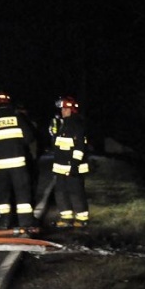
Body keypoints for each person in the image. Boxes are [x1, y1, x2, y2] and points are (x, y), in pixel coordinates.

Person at [0, 91, 38, 232]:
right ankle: (25, 222)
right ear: (9, 103)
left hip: (0, 165)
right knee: (22, 192)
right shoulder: (18, 119)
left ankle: (5, 221)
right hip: (18, 163)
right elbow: (29, 138)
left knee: (3, 193)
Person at [51, 95, 90, 228]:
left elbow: (80, 147)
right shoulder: (64, 124)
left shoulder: (76, 124)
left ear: (71, 110)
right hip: (61, 167)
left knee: (76, 193)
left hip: (73, 167)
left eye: (64, 109)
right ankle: (66, 218)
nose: (62, 111)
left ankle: (82, 219)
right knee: (61, 193)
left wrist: (74, 165)